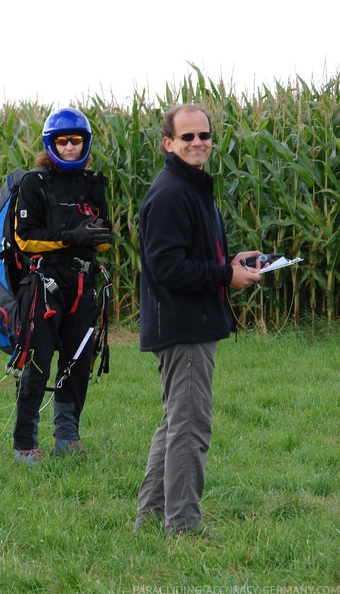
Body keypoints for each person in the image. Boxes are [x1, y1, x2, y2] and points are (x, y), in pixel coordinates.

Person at [135, 103, 264, 536]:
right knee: (190, 427)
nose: (198, 143)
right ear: (168, 143)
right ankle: (184, 528)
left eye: (204, 135)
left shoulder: (191, 188)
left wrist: (230, 261)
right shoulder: (172, 192)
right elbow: (167, 268)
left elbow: (186, 258)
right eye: (187, 136)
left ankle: (151, 516)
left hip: (188, 321)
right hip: (183, 327)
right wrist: (226, 275)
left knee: (176, 422)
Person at [12, 107, 112, 465]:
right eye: (63, 141)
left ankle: (67, 438)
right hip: (45, 284)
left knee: (78, 363)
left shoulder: (93, 183)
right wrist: (72, 237)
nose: (70, 147)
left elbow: (103, 239)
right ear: (50, 144)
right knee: (37, 362)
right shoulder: (34, 183)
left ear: (85, 143)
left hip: (84, 284)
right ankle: (25, 444)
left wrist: (98, 238)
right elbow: (25, 239)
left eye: (77, 140)